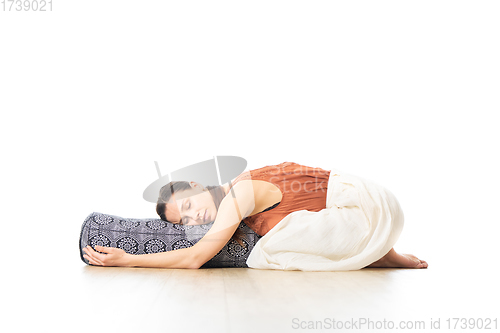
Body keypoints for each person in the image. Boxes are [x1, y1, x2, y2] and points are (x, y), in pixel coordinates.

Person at [83, 162, 428, 270]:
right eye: (185, 221)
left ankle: (380, 255)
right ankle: (384, 253)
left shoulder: (238, 195)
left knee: (267, 252)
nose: (195, 217)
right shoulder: (238, 190)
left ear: (195, 184)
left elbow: (195, 257)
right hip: (379, 209)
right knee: (277, 235)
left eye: (188, 205)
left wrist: (128, 260)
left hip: (368, 209)